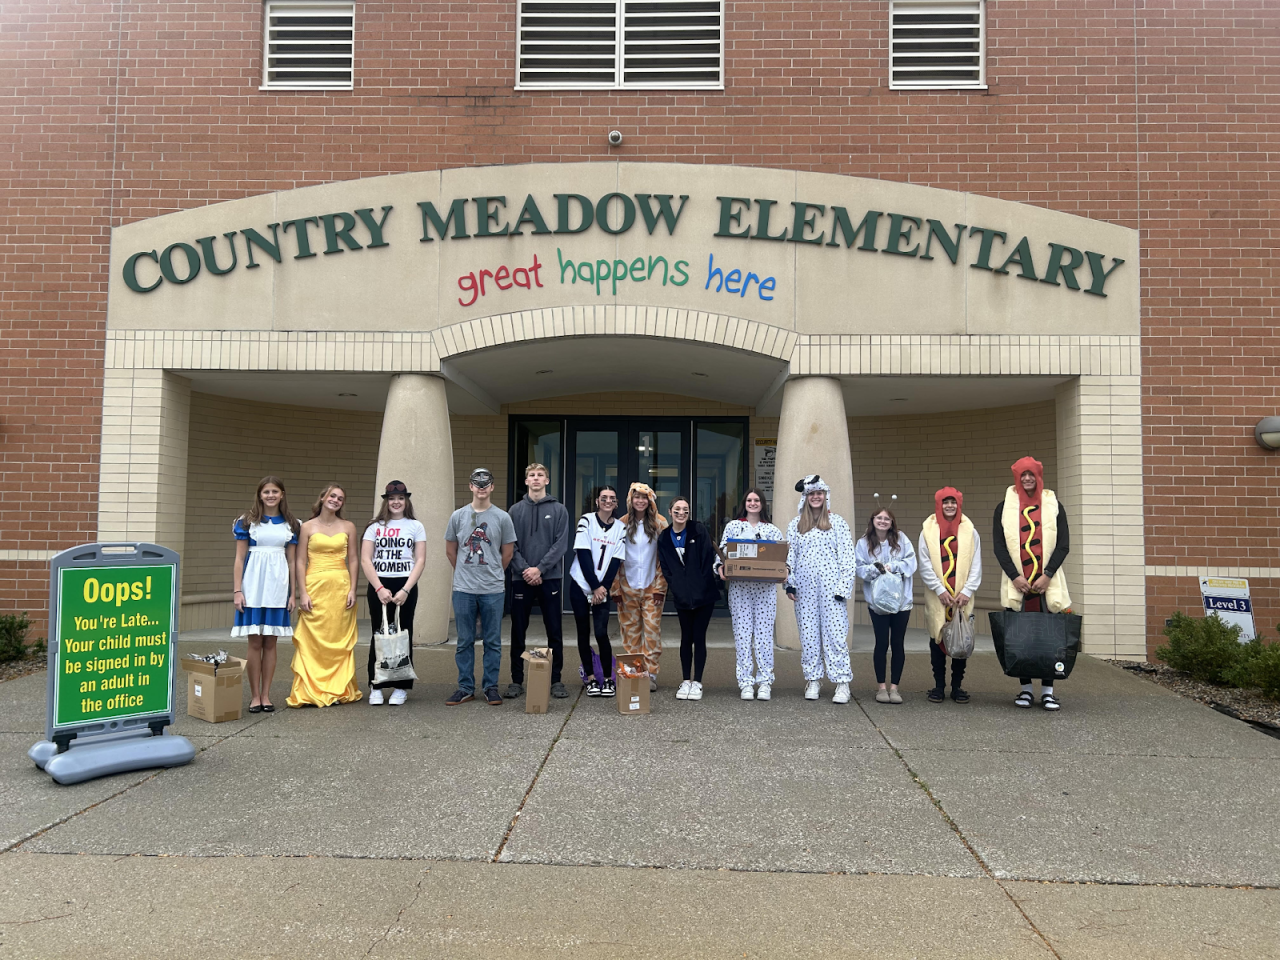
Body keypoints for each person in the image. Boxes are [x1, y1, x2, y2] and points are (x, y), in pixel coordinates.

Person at [994, 456, 1072, 712]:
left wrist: (1047, 574)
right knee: (1021, 636)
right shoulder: (1002, 508)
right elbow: (1000, 547)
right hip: (1019, 585)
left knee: (1049, 636)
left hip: (1045, 584)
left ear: (1038, 477)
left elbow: (1063, 545)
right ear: (1017, 478)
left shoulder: (1054, 506)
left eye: (1032, 475)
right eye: (1022, 475)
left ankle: (1048, 692)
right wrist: (1015, 576)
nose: (1027, 479)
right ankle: (1026, 689)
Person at [444, 468, 517, 706]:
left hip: (493, 589)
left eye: (486, 483)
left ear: (492, 487)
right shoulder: (458, 516)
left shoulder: (502, 517)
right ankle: (465, 686)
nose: (482, 486)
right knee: (464, 640)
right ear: (470, 486)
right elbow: (450, 550)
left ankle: (490, 686)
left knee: (493, 641)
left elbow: (507, 553)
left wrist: (492, 572)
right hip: (463, 588)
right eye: (477, 483)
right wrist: (466, 571)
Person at [287, 482, 362, 708]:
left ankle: (338, 689)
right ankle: (310, 691)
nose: (336, 500)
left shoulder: (348, 526)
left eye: (340, 498)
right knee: (314, 640)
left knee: (337, 639)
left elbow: (354, 560)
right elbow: (300, 561)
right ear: (322, 498)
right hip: (315, 586)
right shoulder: (307, 527)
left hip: (340, 587)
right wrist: (303, 593)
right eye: (332, 496)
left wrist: (353, 589)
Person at [785, 475, 856, 703]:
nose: (816, 497)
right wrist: (790, 584)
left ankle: (842, 682)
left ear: (825, 496)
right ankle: (813, 679)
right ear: (806, 498)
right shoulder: (795, 526)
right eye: (811, 494)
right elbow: (789, 558)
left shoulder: (838, 523)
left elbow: (848, 559)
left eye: (819, 493)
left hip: (832, 591)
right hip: (804, 591)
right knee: (808, 636)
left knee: (836, 637)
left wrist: (843, 588)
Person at [231, 476, 299, 714]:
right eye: (266, 491)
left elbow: (292, 560)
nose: (270, 495)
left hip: (278, 587)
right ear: (260, 495)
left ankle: (267, 695)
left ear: (282, 494)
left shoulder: (292, 524)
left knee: (271, 641)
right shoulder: (247, 522)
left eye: (275, 491)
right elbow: (239, 559)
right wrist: (238, 590)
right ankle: (255, 695)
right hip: (252, 586)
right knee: (255, 640)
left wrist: (293, 594)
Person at [505, 462, 571, 700]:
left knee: (554, 630)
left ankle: (556, 680)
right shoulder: (514, 511)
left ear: (547, 481)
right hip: (521, 578)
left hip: (550, 578)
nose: (535, 478)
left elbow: (560, 545)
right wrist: (525, 570)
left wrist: (540, 569)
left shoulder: (559, 510)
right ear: (526, 481)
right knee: (517, 631)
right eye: (531, 475)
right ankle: (516, 680)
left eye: (540, 475)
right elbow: (510, 545)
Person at [359, 480, 426, 705]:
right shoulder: (374, 526)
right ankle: (376, 684)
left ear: (406, 501)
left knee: (403, 634)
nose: (396, 502)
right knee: (379, 633)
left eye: (400, 498)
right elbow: (366, 559)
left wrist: (406, 589)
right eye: (391, 499)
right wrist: (378, 588)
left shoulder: (416, 526)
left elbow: (420, 560)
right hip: (379, 585)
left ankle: (401, 686)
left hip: (405, 585)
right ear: (386, 502)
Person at [716, 488, 784, 701]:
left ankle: (764, 682)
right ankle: (745, 682)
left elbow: (783, 557)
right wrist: (720, 568)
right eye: (749, 500)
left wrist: (786, 573)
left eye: (757, 500)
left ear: (763, 504)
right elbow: (722, 553)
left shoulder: (772, 530)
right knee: (743, 637)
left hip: (765, 591)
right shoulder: (734, 526)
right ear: (744, 503)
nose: (753, 503)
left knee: (764, 637)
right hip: (741, 589)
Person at [918, 487, 981, 704]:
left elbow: (976, 564)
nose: (950, 506)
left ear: (959, 504)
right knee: (937, 638)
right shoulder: (927, 530)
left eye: (953, 502)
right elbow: (925, 563)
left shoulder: (971, 531)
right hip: (938, 598)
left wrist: (967, 591)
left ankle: (957, 687)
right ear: (939, 504)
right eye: (945, 502)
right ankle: (938, 686)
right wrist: (939, 589)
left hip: (962, 598)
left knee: (960, 639)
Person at [657, 497, 720, 701]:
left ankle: (698, 681)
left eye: (685, 509)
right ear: (670, 511)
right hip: (682, 597)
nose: (681, 513)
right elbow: (666, 567)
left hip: (704, 596)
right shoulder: (664, 537)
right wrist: (676, 587)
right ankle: (685, 680)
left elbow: (707, 559)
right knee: (686, 638)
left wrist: (699, 588)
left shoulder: (698, 530)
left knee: (699, 637)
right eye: (677, 509)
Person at [855, 506, 917, 705]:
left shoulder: (901, 539)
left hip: (901, 603)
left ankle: (895, 688)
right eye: (879, 518)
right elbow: (859, 567)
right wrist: (875, 569)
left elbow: (911, 562)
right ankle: (881, 687)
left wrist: (893, 566)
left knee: (897, 643)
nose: (882, 521)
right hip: (878, 603)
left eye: (887, 519)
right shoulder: (863, 542)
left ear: (892, 523)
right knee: (881, 643)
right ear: (873, 520)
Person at [568, 485, 626, 697]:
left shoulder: (621, 528)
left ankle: (609, 679)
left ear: (616, 503)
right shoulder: (586, 520)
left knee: (601, 633)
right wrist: (593, 586)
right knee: (583, 632)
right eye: (604, 498)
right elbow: (583, 554)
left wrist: (602, 589)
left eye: (612, 498)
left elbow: (615, 561)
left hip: (603, 588)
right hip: (581, 585)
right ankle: (591, 678)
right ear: (597, 501)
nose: (608, 501)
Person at [612, 482, 668, 691]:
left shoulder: (660, 524)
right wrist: (615, 588)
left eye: (644, 497)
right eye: (637, 497)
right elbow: (613, 558)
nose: (640, 501)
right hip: (627, 588)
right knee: (630, 633)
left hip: (651, 587)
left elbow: (666, 558)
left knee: (652, 632)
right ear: (630, 500)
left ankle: (651, 674)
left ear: (650, 500)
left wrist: (660, 588)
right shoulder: (621, 524)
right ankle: (632, 672)